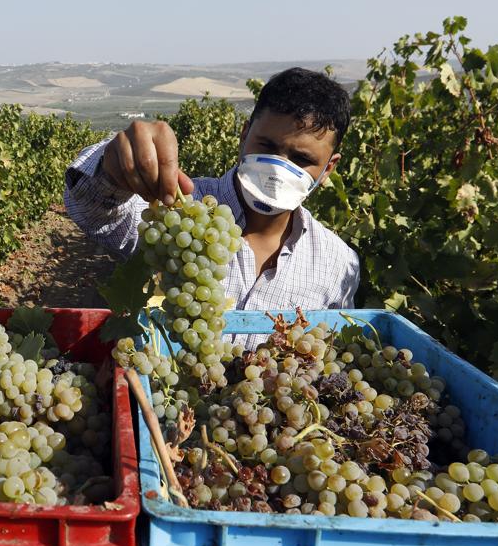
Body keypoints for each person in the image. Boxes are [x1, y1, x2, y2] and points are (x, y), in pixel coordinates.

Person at [64, 67, 360, 342]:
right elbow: (94, 212)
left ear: (328, 169)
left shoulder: (338, 265)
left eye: (302, 159)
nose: (278, 168)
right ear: (244, 135)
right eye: (266, 146)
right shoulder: (178, 214)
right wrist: (111, 168)